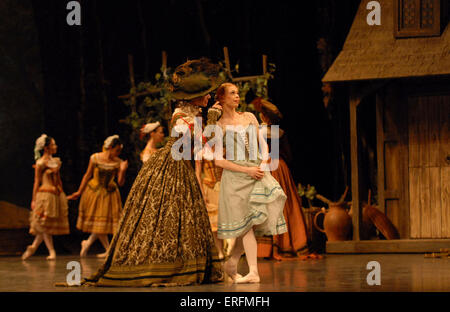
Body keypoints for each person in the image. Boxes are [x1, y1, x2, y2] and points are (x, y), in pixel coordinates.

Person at [75, 59, 223, 287]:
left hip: (180, 167)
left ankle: (186, 262)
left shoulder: (191, 115)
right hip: (170, 169)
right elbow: (201, 144)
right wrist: (213, 118)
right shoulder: (182, 117)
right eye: (205, 94)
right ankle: (162, 265)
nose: (208, 98)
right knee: (165, 215)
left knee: (183, 216)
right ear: (193, 97)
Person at [207, 82, 287, 284]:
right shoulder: (218, 127)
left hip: (256, 173)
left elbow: (264, 146)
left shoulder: (249, 117)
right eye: (232, 93)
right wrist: (247, 170)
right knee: (247, 226)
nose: (236, 96)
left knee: (254, 222)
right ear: (222, 98)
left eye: (237, 93)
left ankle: (232, 261)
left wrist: (262, 163)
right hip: (236, 178)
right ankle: (253, 271)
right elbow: (218, 160)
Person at [252, 97, 313, 260]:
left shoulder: (259, 132)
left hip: (267, 167)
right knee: (288, 204)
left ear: (264, 117)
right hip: (281, 167)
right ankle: (292, 242)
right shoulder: (281, 133)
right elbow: (289, 155)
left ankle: (270, 248)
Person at [68, 135, 128, 258]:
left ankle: (92, 245)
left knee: (101, 224)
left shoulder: (118, 162)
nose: (118, 153)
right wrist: (79, 191)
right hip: (94, 192)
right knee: (99, 223)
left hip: (109, 194)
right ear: (110, 148)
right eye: (117, 150)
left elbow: (121, 183)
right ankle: (107, 250)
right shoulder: (95, 158)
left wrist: (122, 170)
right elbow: (87, 175)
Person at [22, 134, 70, 260]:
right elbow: (36, 181)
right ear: (47, 148)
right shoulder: (41, 163)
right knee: (44, 224)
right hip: (45, 195)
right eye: (53, 144)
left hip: (55, 194)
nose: (55, 146)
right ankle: (51, 251)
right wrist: (33, 199)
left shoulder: (56, 161)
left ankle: (33, 247)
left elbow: (58, 180)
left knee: (46, 225)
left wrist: (62, 193)